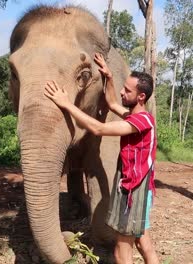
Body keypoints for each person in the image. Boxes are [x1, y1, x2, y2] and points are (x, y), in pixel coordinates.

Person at [44, 53, 159, 264]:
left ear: (141, 97)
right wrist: (109, 77)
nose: (123, 93)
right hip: (139, 189)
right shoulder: (136, 115)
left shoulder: (141, 122)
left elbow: (99, 128)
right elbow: (113, 102)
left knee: (120, 254)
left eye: (128, 90)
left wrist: (66, 104)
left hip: (134, 193)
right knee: (144, 244)